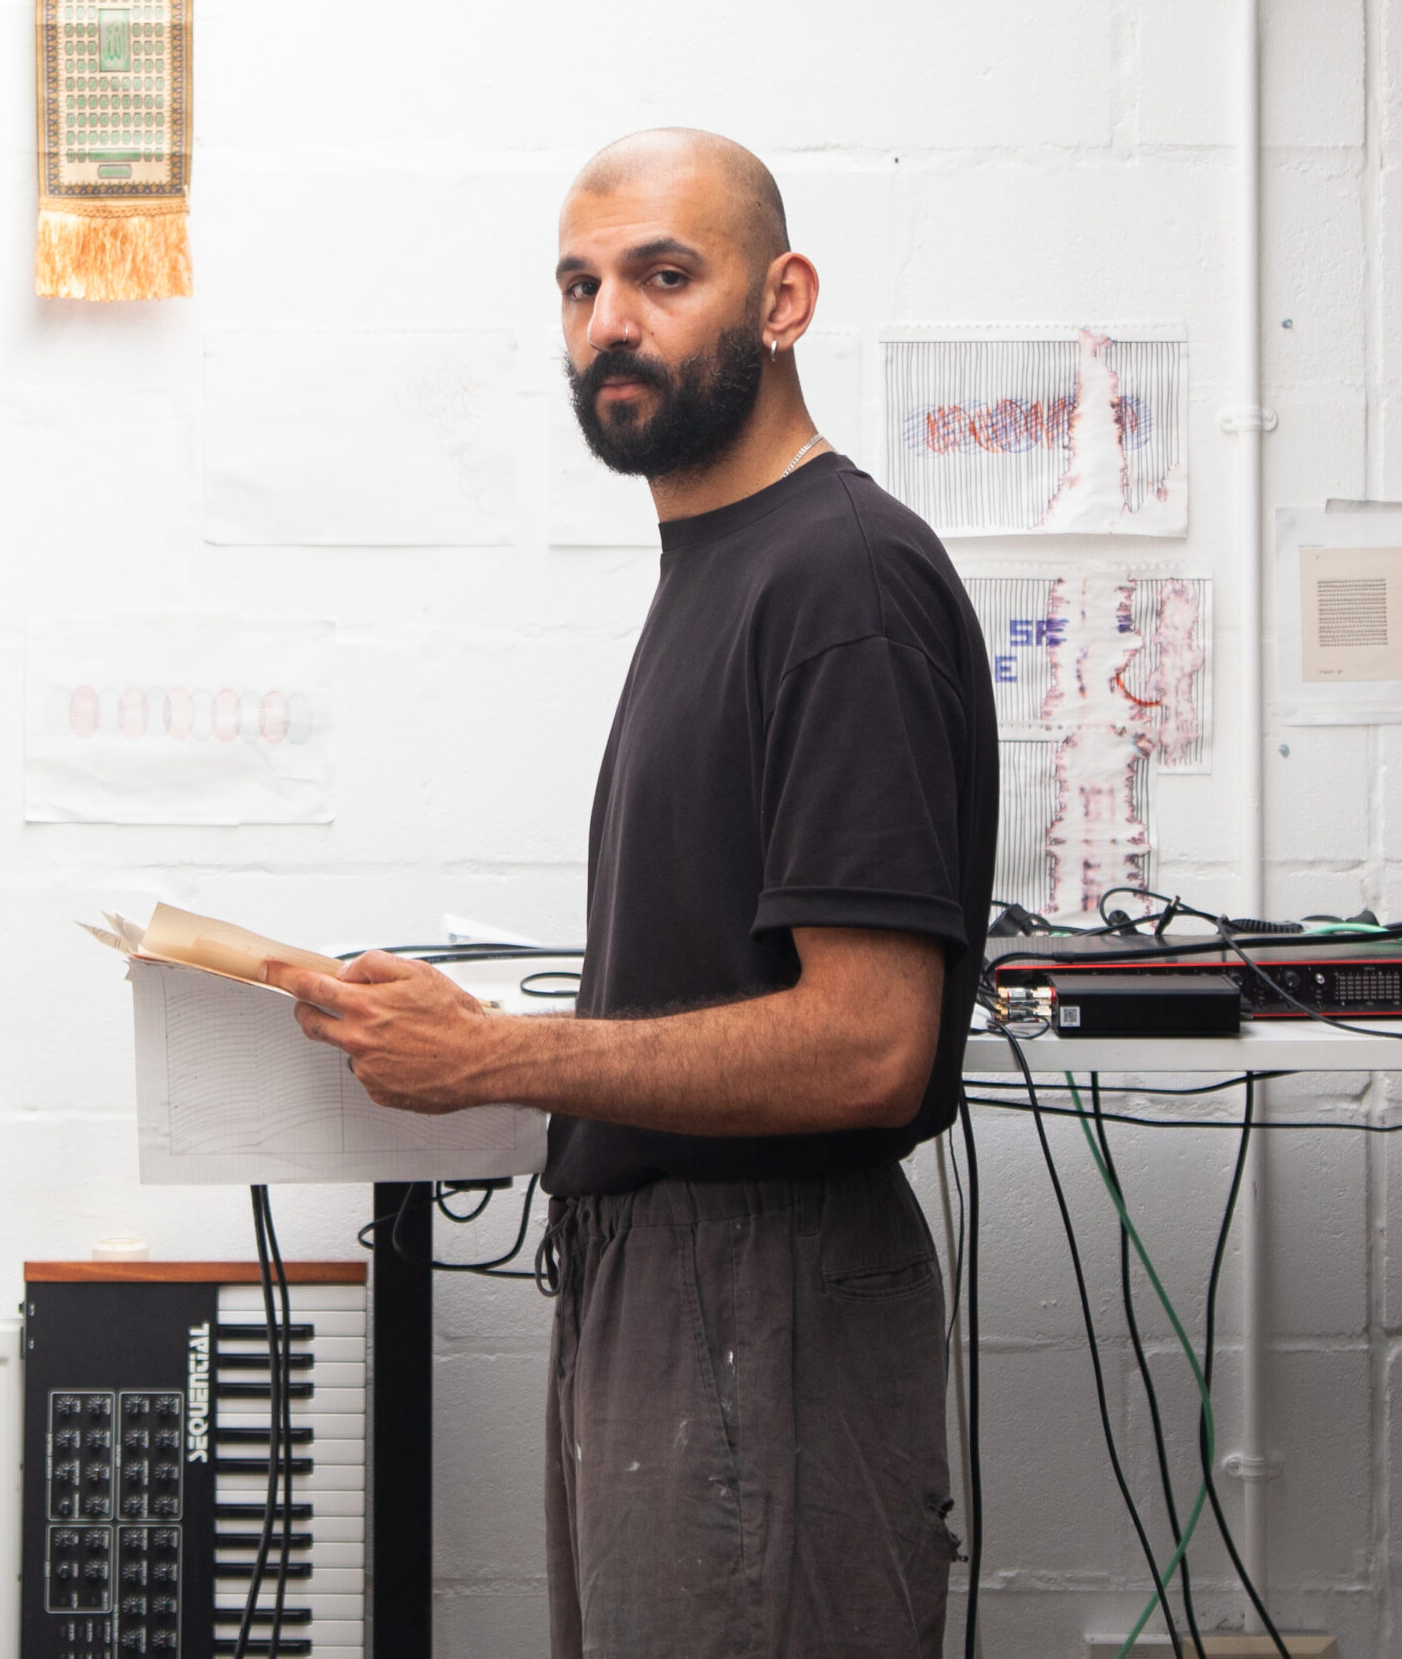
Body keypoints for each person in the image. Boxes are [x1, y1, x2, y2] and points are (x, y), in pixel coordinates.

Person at [271, 127, 999, 1659]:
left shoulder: (839, 578)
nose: (611, 321)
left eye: (666, 276)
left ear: (783, 297)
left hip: (764, 1288)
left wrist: (495, 1057)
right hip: (658, 1287)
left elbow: (869, 1042)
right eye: (580, 285)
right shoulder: (720, 566)